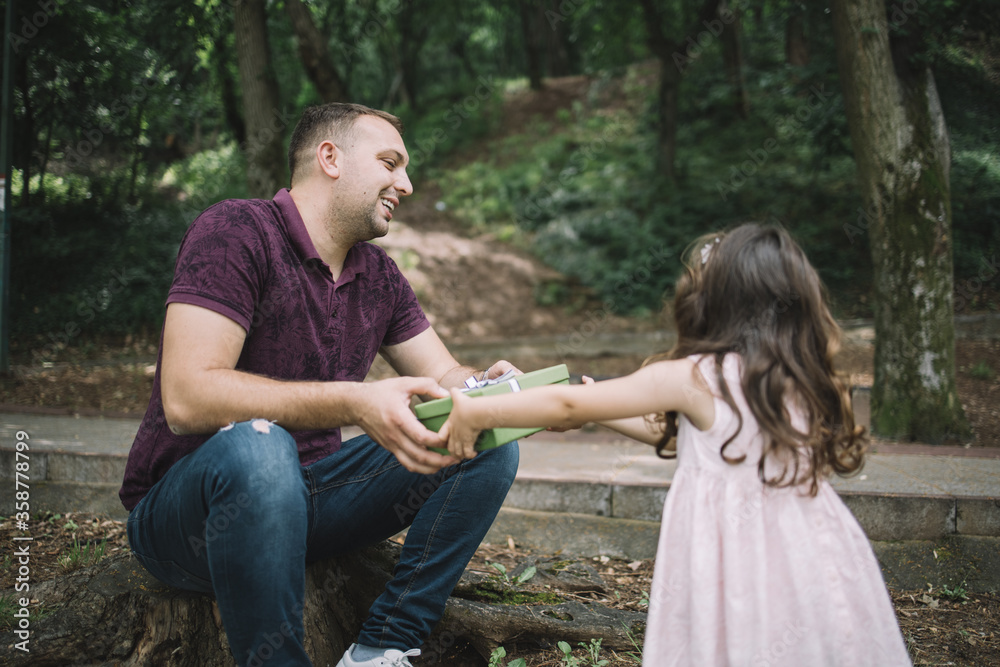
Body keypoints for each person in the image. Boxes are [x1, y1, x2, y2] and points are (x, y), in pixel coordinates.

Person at [119, 102, 521, 667]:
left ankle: (382, 646)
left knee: (485, 441)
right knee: (262, 444)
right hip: (192, 518)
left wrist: (486, 387)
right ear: (330, 158)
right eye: (390, 162)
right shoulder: (237, 230)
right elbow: (187, 397)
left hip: (311, 503)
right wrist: (354, 402)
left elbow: (444, 374)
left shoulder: (378, 274)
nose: (405, 184)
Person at [440, 224, 912, 666]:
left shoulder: (693, 376)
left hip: (730, 549)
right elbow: (678, 431)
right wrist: (583, 405)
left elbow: (566, 404)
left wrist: (480, 410)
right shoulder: (796, 379)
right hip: (809, 546)